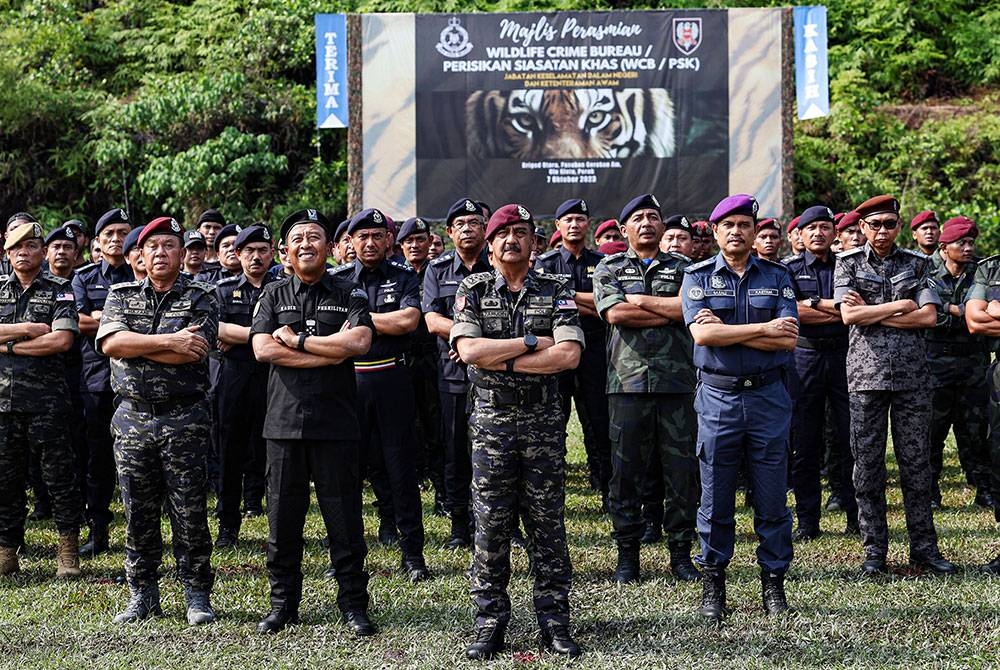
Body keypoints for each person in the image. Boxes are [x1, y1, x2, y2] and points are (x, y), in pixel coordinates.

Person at [451, 203, 584, 660]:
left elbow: (568, 356)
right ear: (489, 246)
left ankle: (554, 620)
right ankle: (490, 622)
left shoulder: (556, 287)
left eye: (522, 233)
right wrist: (528, 345)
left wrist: (498, 357)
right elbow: (468, 350)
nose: (512, 240)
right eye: (503, 233)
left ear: (534, 244)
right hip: (492, 422)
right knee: (491, 523)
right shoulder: (473, 286)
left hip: (544, 422)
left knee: (548, 523)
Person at [250, 208, 376, 636]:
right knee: (283, 522)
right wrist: (329, 348)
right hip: (282, 425)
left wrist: (301, 340)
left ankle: (354, 605)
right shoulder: (272, 295)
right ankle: (283, 604)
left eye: (315, 236)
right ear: (285, 251)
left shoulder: (351, 291)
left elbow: (358, 341)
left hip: (336, 424)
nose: (307, 244)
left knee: (344, 521)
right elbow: (264, 350)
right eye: (298, 238)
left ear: (331, 246)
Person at [680, 194, 799, 621]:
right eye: (727, 225)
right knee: (715, 496)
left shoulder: (779, 276)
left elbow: (787, 339)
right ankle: (714, 584)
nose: (736, 232)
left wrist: (731, 330)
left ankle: (774, 584)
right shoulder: (696, 278)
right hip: (718, 398)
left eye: (744, 225)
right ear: (714, 233)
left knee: (771, 496)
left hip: (769, 397)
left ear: (754, 231)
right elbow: (703, 337)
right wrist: (763, 328)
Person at [96, 216, 218, 625]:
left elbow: (194, 352)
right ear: (140, 257)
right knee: (137, 509)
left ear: (182, 254)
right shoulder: (120, 295)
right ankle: (143, 593)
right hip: (132, 417)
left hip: (185, 417)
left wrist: (137, 348)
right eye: (153, 247)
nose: (161, 253)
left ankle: (196, 593)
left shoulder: (202, 296)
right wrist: (169, 341)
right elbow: (112, 343)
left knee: (189, 508)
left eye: (169, 246)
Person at [833, 194, 957, 576]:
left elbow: (928, 317)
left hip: (912, 379)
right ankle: (875, 551)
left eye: (890, 224)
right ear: (863, 228)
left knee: (917, 466)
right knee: (867, 467)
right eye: (875, 225)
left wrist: (875, 315)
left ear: (899, 226)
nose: (883, 231)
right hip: (866, 378)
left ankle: (924, 548)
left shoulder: (917, 263)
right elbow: (849, 315)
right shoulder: (848, 264)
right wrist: (899, 306)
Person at [592, 196, 700, 583]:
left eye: (653, 217)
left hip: (678, 384)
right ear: (624, 231)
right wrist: (665, 308)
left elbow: (691, 310)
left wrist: (639, 300)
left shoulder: (688, 267)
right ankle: (627, 555)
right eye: (638, 218)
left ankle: (682, 554)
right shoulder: (609, 267)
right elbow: (615, 313)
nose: (647, 223)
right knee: (626, 474)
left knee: (682, 472)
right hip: (627, 384)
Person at [331, 207, 430, 582]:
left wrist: (359, 322)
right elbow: (330, 329)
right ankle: (345, 554)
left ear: (389, 240)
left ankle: (413, 555)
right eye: (362, 237)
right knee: (345, 475)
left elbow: (409, 320)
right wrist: (376, 323)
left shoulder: (403, 276)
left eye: (377, 236)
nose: (370, 243)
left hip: (392, 381)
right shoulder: (337, 278)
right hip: (348, 384)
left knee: (401, 470)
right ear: (350, 243)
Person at [0, 221, 83, 579]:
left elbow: (61, 340)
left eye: (31, 246)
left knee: (60, 478)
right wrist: (27, 330)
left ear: (42, 251)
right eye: (16, 247)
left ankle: (67, 552)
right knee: (6, 480)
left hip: (48, 402)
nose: (23, 252)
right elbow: (44, 336)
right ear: (7, 253)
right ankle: (6, 551)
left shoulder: (60, 290)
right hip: (4, 403)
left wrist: (7, 344)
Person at [784, 206, 858, 539]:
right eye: (810, 227)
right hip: (805, 359)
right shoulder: (788, 269)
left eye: (825, 227)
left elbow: (855, 313)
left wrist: (813, 305)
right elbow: (791, 313)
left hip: (846, 357)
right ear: (799, 234)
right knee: (806, 442)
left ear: (835, 233)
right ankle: (808, 521)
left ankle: (856, 517)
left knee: (852, 438)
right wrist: (833, 308)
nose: (818, 233)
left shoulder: (850, 267)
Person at [422, 198, 492, 550]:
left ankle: (500, 524)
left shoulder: (498, 266)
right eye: (460, 224)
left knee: (496, 452)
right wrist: (466, 336)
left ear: (486, 228)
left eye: (474, 223)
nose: (468, 229)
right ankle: (459, 527)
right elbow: (432, 319)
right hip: (452, 373)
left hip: (495, 372)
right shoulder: (437, 269)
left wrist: (473, 341)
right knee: (455, 452)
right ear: (449, 233)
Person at [536, 198, 611, 507]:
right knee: (554, 423)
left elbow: (607, 305)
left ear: (588, 225)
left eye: (580, 219)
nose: (575, 225)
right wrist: (590, 301)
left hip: (595, 351)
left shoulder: (603, 262)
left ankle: (609, 492)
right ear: (559, 226)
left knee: (600, 423)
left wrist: (565, 295)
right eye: (568, 220)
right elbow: (544, 306)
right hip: (557, 351)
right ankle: (553, 496)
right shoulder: (546, 263)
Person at [72, 207, 135, 557]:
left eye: (122, 232)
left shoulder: (139, 273)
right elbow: (79, 321)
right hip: (96, 379)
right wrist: (121, 324)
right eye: (108, 234)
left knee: (137, 461)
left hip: (136, 376)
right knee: (98, 460)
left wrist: (103, 319)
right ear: (97, 241)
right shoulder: (84, 277)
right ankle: (98, 532)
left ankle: (137, 533)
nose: (115, 239)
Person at [213, 224, 276, 547]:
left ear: (272, 253)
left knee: (274, 451)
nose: (255, 257)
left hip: (275, 376)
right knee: (230, 451)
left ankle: (277, 520)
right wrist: (264, 335)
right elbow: (216, 329)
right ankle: (228, 524)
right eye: (249, 251)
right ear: (237, 255)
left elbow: (290, 327)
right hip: (235, 377)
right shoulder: (223, 290)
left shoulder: (283, 287)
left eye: (262, 250)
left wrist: (239, 335)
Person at [925, 216, 992, 508]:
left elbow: (987, 311)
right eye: (961, 243)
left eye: (971, 243)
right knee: (931, 431)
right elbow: (928, 313)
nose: (967, 248)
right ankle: (929, 493)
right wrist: (963, 311)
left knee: (976, 430)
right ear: (944, 246)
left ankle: (984, 489)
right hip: (934, 362)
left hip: (973, 362)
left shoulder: (982, 271)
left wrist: (953, 310)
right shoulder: (925, 270)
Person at [398, 217, 446, 515]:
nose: (415, 245)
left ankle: (442, 492)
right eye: (409, 241)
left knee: (436, 426)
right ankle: (413, 480)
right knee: (405, 424)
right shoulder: (397, 276)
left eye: (420, 240)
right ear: (400, 246)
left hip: (434, 357)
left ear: (430, 242)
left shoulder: (439, 272)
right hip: (402, 357)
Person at [964, 241, 1000, 575]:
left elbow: (988, 314)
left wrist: (996, 308)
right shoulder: (990, 267)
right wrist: (986, 310)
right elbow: (975, 320)